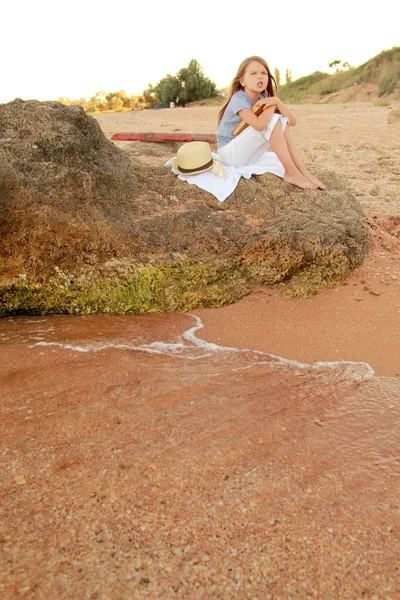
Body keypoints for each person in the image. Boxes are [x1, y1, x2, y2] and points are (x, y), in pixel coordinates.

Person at [217, 56, 326, 190]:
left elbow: (292, 121)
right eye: (253, 73)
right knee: (272, 120)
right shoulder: (238, 99)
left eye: (264, 73)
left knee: (281, 120)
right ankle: (291, 172)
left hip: (247, 155)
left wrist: (277, 102)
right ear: (242, 80)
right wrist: (272, 107)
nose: (260, 77)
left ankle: (302, 170)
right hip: (229, 155)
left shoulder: (265, 98)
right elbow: (259, 125)